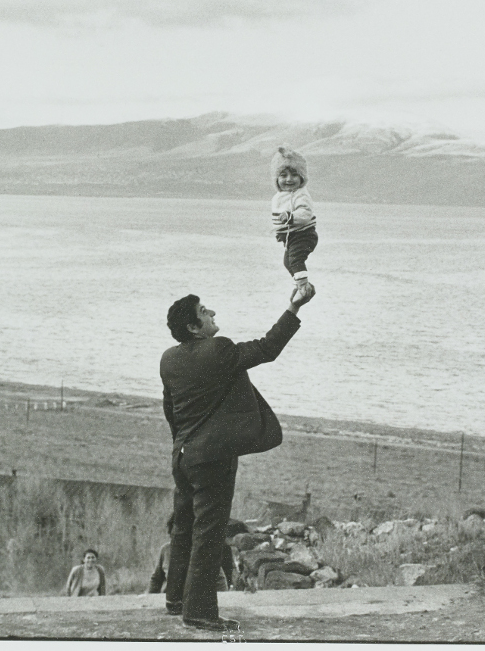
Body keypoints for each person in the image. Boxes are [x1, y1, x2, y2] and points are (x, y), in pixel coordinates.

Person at [161, 285, 314, 632]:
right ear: (194, 328)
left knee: (184, 528)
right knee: (208, 533)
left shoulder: (168, 358)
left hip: (183, 457)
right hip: (212, 460)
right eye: (204, 311)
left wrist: (181, 446)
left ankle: (176, 600)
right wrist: (293, 308)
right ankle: (199, 612)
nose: (212, 313)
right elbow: (267, 348)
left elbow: (170, 409)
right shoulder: (218, 349)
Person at [270, 146, 318, 298]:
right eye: (283, 175)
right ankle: (300, 283)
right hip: (292, 237)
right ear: (276, 179)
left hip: (304, 235)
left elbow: (305, 213)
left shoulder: (301, 195)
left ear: (302, 178)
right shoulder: (280, 196)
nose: (289, 179)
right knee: (287, 262)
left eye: (294, 175)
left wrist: (291, 217)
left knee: (296, 259)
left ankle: (304, 286)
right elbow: (279, 220)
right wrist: (280, 233)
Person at [148, 513, 235, 594]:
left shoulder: (204, 550)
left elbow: (220, 581)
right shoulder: (165, 550)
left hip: (197, 602)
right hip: (172, 601)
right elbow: (156, 579)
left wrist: (220, 602)